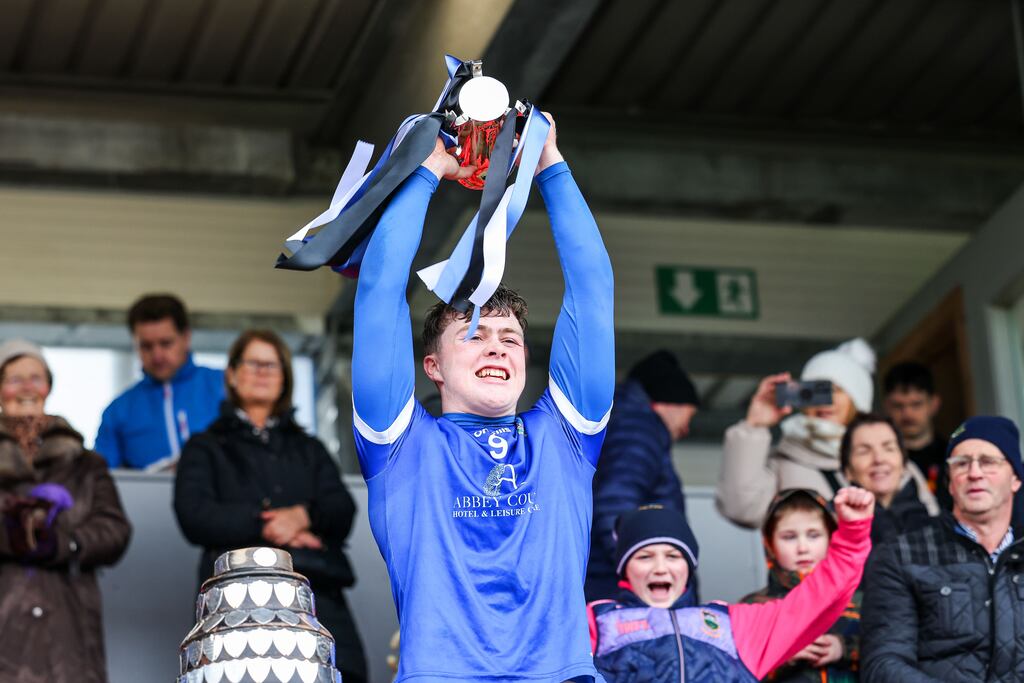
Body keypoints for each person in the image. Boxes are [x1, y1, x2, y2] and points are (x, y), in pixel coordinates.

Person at [350, 115, 615, 681]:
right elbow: (378, 296)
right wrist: (429, 171)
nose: (496, 346)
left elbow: (592, 291)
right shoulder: (399, 446)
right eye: (473, 333)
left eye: (510, 337)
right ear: (433, 367)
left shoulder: (566, 436)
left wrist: (549, 165)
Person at [173, 330, 367, 683]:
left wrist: (303, 515)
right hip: (232, 613)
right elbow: (194, 514)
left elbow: (343, 509)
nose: (262, 372)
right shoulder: (205, 446)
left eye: (272, 365)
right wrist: (268, 525)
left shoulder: (310, 448)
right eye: (253, 363)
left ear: (285, 378)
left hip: (318, 604)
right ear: (231, 374)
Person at [588, 488, 874, 682]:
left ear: (689, 567)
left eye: (674, 556)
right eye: (645, 556)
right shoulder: (594, 621)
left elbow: (820, 597)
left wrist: (853, 533)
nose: (660, 567)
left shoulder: (734, 623)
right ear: (625, 567)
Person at [0, 339, 132, 682]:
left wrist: (65, 544)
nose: (27, 388)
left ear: (48, 386)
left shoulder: (85, 463)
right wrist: (10, 534)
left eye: (35, 377)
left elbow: (115, 530)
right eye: (15, 379)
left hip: (69, 631)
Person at [861, 416, 1024, 681]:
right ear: (950, 482)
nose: (974, 473)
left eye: (988, 462)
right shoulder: (901, 555)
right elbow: (883, 664)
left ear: (1016, 478)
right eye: (961, 464)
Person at [717, 337, 876, 528]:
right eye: (816, 390)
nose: (825, 401)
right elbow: (741, 508)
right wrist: (754, 426)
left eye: (836, 390)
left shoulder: (888, 460)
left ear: (858, 400)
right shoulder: (783, 465)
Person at [587, 350, 700, 601]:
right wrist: (643, 573)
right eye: (689, 415)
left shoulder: (628, 426)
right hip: (623, 593)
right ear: (669, 403)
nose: (686, 428)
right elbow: (614, 503)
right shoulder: (637, 429)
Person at [740, 489, 860, 682]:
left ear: (831, 538)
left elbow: (890, 651)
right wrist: (780, 654)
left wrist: (845, 648)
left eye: (813, 535)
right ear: (769, 544)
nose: (803, 548)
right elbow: (732, 671)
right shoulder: (752, 608)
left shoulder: (858, 599)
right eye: (789, 537)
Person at [96, 294, 224, 470]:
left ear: (186, 337)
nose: (157, 356)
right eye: (146, 346)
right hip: (146, 498)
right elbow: (101, 479)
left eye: (166, 343)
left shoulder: (224, 387)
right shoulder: (118, 411)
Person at [840, 412, 938, 545]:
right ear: (847, 471)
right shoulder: (833, 521)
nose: (879, 459)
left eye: (889, 448)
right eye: (864, 451)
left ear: (904, 465)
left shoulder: (930, 518)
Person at [882, 361, 950, 509]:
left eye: (916, 404)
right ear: (886, 406)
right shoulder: (880, 461)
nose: (907, 413)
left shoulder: (952, 455)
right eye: (898, 406)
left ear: (934, 404)